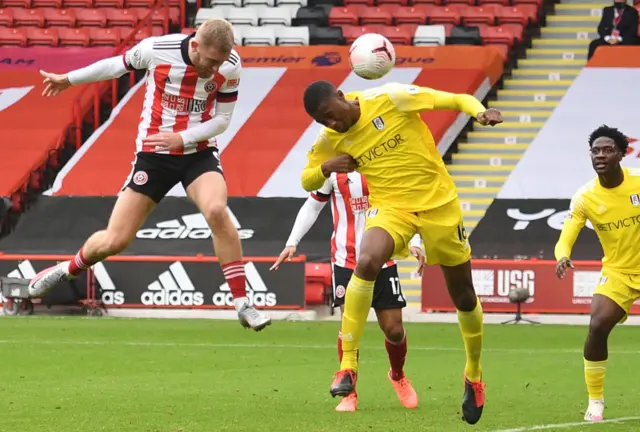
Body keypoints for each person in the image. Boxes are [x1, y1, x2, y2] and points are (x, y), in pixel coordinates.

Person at [29, 19, 271, 331]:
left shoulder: (231, 66)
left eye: (221, 61)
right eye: (211, 60)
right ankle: (68, 269)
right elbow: (115, 66)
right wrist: (68, 79)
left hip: (197, 152)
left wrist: (183, 139)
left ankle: (242, 303)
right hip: (154, 157)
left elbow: (223, 120)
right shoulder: (158, 49)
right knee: (115, 240)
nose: (215, 68)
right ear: (195, 45)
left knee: (216, 210)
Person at [300, 80, 503, 425]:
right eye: (323, 122)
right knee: (366, 260)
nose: (331, 125)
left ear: (340, 96)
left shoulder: (391, 98)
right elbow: (307, 180)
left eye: (331, 116)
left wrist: (479, 112)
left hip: (439, 205)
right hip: (392, 208)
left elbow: (453, 96)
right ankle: (347, 367)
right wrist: (326, 167)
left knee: (463, 295)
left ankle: (474, 373)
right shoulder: (330, 140)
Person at [270, 170, 425, 412]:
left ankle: (397, 375)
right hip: (346, 260)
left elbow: (405, 203)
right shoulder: (334, 165)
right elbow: (313, 205)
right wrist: (292, 242)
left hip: (383, 257)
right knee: (349, 327)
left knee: (394, 329)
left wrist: (415, 242)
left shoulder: (383, 161)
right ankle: (349, 394)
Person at [555, 125, 639, 422]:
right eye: (595, 151)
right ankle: (596, 401)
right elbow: (567, 234)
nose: (600, 155)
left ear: (621, 154)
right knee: (597, 324)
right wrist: (563, 255)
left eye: (607, 150)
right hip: (619, 271)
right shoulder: (585, 196)